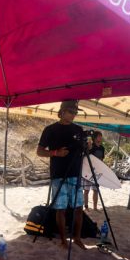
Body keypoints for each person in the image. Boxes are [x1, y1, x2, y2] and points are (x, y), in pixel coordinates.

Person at [36, 100, 87, 249]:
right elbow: (39, 151)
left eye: (75, 113)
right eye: (71, 112)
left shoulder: (79, 129)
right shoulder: (50, 130)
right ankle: (63, 240)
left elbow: (84, 152)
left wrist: (87, 147)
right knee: (61, 208)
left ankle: (77, 238)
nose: (73, 115)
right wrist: (55, 153)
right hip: (58, 174)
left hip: (75, 174)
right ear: (62, 112)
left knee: (78, 207)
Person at [82, 131, 105, 211]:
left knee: (96, 190)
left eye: (101, 136)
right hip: (88, 171)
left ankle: (95, 207)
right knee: (86, 190)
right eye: (99, 136)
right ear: (95, 137)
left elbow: (102, 159)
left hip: (97, 172)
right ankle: (86, 207)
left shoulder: (102, 148)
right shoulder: (91, 147)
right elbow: (86, 157)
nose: (100, 138)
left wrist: (101, 169)